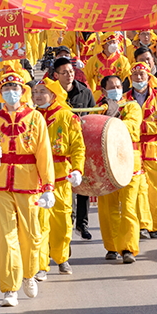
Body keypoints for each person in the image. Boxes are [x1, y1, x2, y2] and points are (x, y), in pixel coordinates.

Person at [0, 72, 54, 307]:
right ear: (0, 93)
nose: (11, 91)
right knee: (6, 236)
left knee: (31, 235)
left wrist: (48, 186)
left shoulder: (35, 118)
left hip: (29, 183)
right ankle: (10, 288)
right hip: (1, 184)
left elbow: (44, 154)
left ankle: (29, 274)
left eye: (15, 87)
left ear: (23, 91)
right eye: (6, 87)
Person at [31, 78, 84, 278]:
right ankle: (41, 265)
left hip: (62, 177)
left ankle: (61, 257)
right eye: (35, 91)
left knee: (62, 222)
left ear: (53, 95)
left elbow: (78, 146)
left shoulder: (67, 116)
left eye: (42, 91)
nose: (37, 95)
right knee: (40, 223)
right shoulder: (31, 117)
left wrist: (78, 169)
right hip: (37, 179)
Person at [123, 62, 157, 238]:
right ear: (130, 78)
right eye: (135, 75)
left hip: (156, 150)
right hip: (133, 149)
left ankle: (154, 225)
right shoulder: (123, 100)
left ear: (149, 77)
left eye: (142, 74)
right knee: (139, 190)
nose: (139, 78)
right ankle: (143, 225)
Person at [95, 75, 142, 262]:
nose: (117, 89)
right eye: (112, 87)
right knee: (108, 209)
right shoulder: (99, 107)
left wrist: (111, 119)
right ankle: (112, 246)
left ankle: (128, 248)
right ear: (104, 91)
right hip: (106, 164)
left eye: (118, 86)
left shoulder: (131, 106)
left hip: (129, 162)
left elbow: (131, 128)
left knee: (129, 207)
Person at [52, 56, 96, 240]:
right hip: (60, 149)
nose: (69, 75)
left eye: (71, 71)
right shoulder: (51, 95)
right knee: (64, 188)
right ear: (56, 75)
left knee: (82, 186)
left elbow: (93, 117)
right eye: (64, 72)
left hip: (79, 146)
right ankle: (68, 221)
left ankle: (82, 223)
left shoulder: (84, 92)